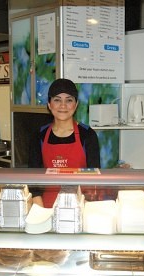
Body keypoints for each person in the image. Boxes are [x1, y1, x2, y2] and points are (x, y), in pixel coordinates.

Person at [28, 78, 100, 207]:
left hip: (80, 205)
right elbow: (34, 184)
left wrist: (86, 211)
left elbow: (94, 179)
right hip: (47, 206)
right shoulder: (39, 136)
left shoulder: (88, 135)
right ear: (49, 104)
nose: (63, 105)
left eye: (69, 100)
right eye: (57, 100)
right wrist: (41, 213)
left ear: (76, 104)